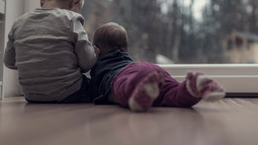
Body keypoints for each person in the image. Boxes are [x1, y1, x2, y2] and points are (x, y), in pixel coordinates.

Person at [4, 0, 97, 103]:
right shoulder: (72, 19)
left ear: (42, 2)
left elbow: (9, 62)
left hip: (31, 95)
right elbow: (87, 63)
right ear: (75, 3)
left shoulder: (19, 22)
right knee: (100, 84)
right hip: (70, 93)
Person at [90, 22, 225, 112]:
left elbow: (91, 90)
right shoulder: (128, 60)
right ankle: (193, 84)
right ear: (126, 48)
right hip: (153, 69)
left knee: (124, 88)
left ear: (97, 50)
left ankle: (143, 88)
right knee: (173, 93)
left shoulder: (100, 66)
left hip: (128, 75)